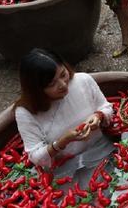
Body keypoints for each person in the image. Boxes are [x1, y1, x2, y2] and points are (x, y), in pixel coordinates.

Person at [14, 48, 114, 188]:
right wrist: (62, 142)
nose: (62, 84)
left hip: (101, 151)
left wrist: (99, 116)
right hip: (64, 171)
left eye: (63, 74)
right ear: (36, 89)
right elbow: (36, 157)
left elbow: (106, 107)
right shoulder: (25, 113)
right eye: (51, 84)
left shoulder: (83, 81)